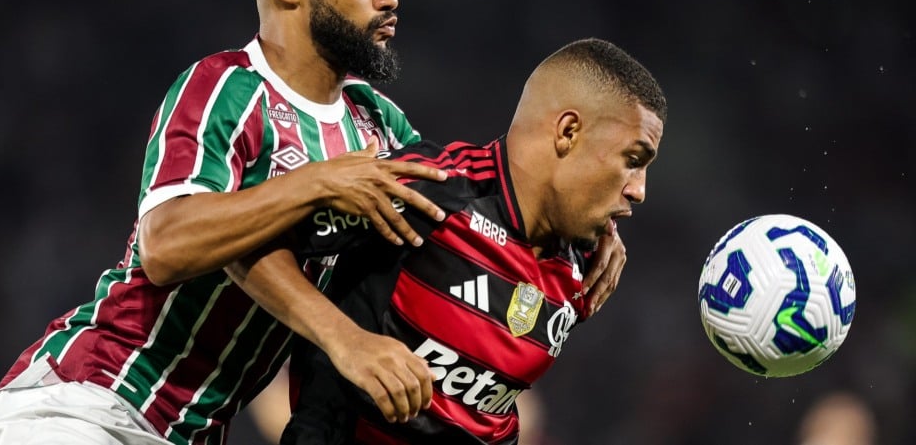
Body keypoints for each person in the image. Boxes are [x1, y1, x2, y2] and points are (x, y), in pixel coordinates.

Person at [0, 0, 450, 443]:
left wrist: (573, 241)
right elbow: (167, 245)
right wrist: (319, 185)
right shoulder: (226, 87)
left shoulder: (379, 125)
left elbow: (467, 212)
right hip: (92, 404)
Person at [227, 37, 667, 444]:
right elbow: (243, 240)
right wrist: (344, 338)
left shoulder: (585, 267)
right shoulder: (429, 189)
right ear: (568, 132)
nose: (640, 190)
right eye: (634, 159)